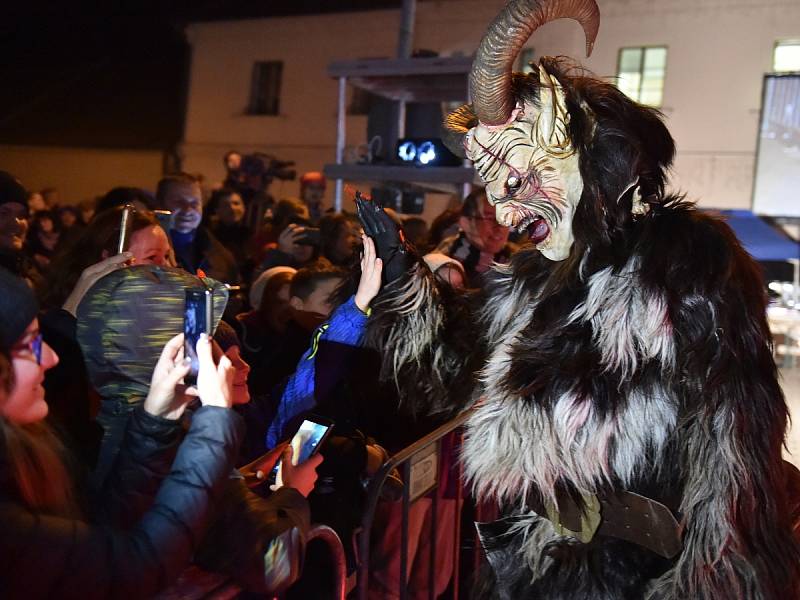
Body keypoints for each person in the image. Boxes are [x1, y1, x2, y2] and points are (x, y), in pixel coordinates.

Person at [358, 0, 800, 595]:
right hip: (535, 560)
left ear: (580, 152)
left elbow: (733, 451)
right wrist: (400, 283)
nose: (508, 213)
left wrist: (707, 583)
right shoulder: (536, 275)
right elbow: (462, 376)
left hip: (638, 577)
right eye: (494, 191)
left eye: (516, 180)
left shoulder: (688, 264)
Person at [0, 266, 244, 598]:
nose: (52, 358)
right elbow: (138, 567)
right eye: (30, 345)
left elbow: (99, 534)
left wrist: (156, 421)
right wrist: (215, 425)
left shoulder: (28, 449)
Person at [156, 173, 240, 284]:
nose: (188, 209)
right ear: (159, 204)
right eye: (178, 202)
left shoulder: (222, 258)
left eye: (194, 203)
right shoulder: (144, 252)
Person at [435, 188, 515, 286]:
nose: (501, 226)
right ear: (466, 223)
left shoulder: (519, 266)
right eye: (490, 218)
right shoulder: (441, 268)